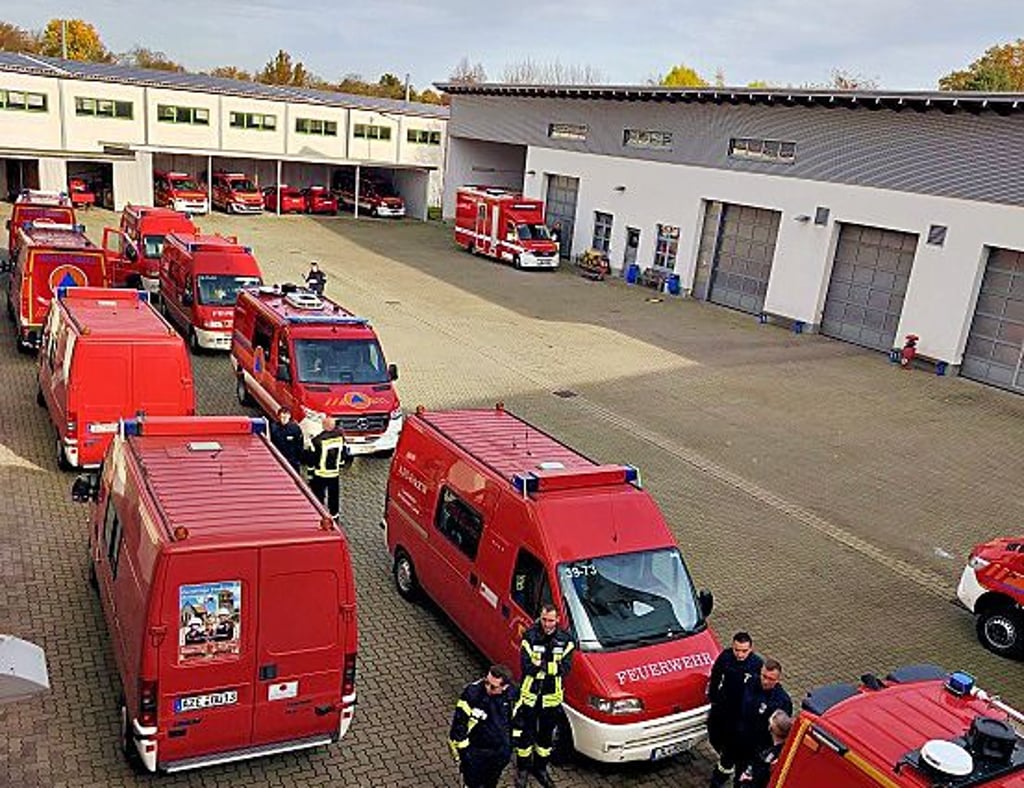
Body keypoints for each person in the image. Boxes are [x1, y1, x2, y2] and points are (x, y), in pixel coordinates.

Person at [512, 604, 575, 788]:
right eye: (544, 619)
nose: (547, 624)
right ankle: (522, 770)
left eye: (550, 620)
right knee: (525, 735)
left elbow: (565, 669)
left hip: (551, 698)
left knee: (545, 738)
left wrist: (541, 666)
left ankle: (540, 769)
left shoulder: (566, 640)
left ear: (557, 620)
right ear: (540, 618)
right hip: (530, 696)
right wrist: (549, 668)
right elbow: (527, 667)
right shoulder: (529, 636)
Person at [708, 632, 764, 787]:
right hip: (725, 709)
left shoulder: (757, 664)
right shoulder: (725, 657)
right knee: (719, 742)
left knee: (739, 761)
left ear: (751, 649)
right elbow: (716, 676)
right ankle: (719, 779)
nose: (740, 654)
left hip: (743, 716)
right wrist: (714, 697)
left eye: (744, 651)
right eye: (737, 650)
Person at [449, 665, 518, 788]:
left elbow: (517, 721)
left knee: (491, 782)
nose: (487, 688)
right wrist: (465, 753)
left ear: (505, 687)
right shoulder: (472, 694)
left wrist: (509, 746)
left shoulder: (512, 695)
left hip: (499, 753)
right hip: (476, 752)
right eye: (486, 682)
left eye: (493, 686)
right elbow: (459, 724)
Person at [734, 659, 793, 785]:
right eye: (764, 676)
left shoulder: (782, 701)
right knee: (738, 776)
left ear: (778, 680)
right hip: (742, 742)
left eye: (770, 679)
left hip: (760, 751)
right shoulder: (751, 683)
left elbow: (781, 731)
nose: (765, 681)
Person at [304, 416, 348, 519]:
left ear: (323, 426)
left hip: (320, 474)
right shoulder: (340, 438)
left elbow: (311, 459)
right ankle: (334, 515)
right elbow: (344, 453)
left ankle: (319, 515)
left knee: (318, 496)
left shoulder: (317, 440)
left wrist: (310, 475)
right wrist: (340, 463)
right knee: (334, 496)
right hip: (334, 473)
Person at [738, 709, 792, 787]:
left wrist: (745, 781)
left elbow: (758, 783)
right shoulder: (791, 749)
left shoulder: (766, 759)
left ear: (770, 728)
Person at [269, 406, 303, 472]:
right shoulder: (273, 428)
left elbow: (299, 445)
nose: (283, 419)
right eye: (281, 417)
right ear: (278, 417)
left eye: (285, 417)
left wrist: (298, 459)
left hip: (292, 460)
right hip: (278, 458)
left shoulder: (295, 428)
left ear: (289, 416)